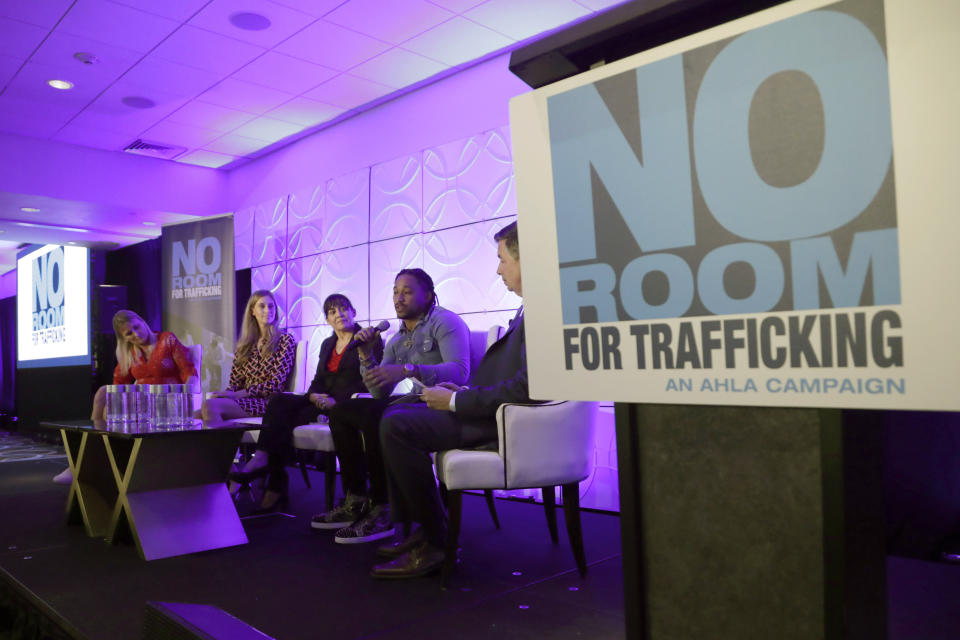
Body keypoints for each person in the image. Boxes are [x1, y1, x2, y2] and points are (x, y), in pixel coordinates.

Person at [371, 221, 535, 579]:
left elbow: (526, 389)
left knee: (398, 425)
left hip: (508, 422)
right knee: (395, 413)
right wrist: (463, 393)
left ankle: (436, 541)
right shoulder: (530, 309)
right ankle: (423, 531)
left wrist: (458, 402)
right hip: (491, 408)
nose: (497, 269)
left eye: (503, 260)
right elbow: (513, 380)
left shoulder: (545, 312)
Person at [309, 268, 471, 545]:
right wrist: (365, 354)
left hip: (447, 402)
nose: (399, 298)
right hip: (414, 403)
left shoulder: (445, 322)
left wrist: (409, 369)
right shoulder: (397, 338)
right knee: (344, 411)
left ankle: (383, 508)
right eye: (396, 292)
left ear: (428, 295)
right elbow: (378, 390)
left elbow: (460, 371)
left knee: (379, 414)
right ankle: (357, 498)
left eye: (407, 292)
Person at [228, 293, 383, 512]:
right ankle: (264, 461)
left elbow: (367, 381)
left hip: (347, 406)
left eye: (343, 309)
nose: (339, 314)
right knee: (280, 402)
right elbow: (318, 379)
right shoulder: (329, 343)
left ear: (353, 312)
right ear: (327, 320)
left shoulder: (368, 340)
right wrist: (312, 395)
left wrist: (335, 401)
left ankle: (275, 483)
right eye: (332, 311)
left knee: (283, 421)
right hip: (320, 401)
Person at [54, 309, 200, 484]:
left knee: (111, 410)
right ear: (123, 338)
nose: (136, 334)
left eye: (137, 327)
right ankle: (85, 460)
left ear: (142, 321)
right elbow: (119, 383)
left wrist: (186, 397)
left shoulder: (167, 339)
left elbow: (188, 370)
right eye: (129, 333)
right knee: (103, 394)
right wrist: (115, 405)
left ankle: (83, 464)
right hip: (141, 401)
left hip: (166, 400)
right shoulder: (128, 352)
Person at [200, 290, 296, 423]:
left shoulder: (285, 340)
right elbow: (235, 383)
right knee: (195, 414)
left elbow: (275, 385)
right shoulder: (245, 346)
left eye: (271, 306)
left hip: (268, 402)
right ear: (252, 311)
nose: (268, 310)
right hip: (243, 400)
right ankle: (227, 440)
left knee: (209, 407)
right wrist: (225, 394)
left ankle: (224, 443)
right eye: (262, 306)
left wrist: (238, 394)